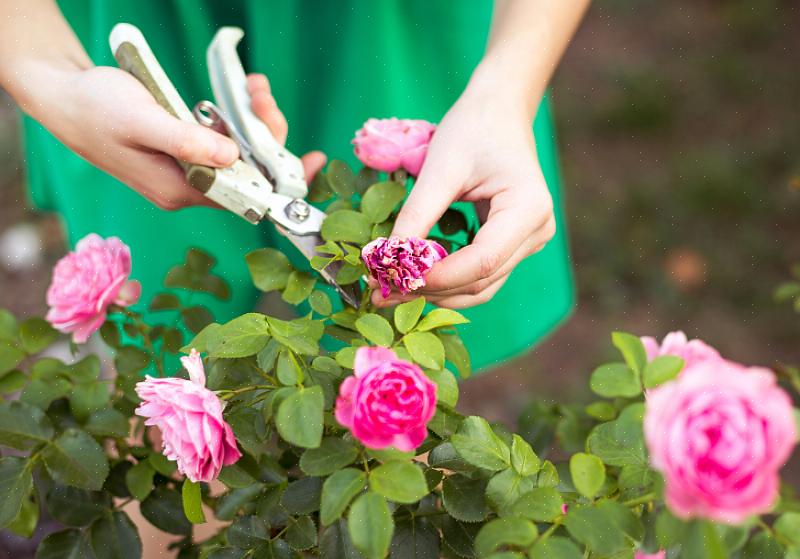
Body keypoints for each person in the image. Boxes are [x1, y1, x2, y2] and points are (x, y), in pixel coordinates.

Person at [0, 0, 588, 372]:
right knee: (165, 369)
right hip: (152, 13)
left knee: (396, 371)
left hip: (384, 29)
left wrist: (504, 93)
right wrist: (49, 77)